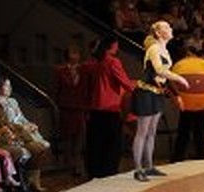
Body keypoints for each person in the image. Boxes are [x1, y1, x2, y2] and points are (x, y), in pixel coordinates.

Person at [130, 21, 189, 181]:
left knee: (152, 132)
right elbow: (160, 70)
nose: (170, 29)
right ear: (158, 33)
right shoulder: (154, 48)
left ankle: (149, 166)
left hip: (157, 93)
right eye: (167, 27)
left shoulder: (165, 50)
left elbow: (164, 75)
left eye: (170, 26)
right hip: (146, 92)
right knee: (142, 132)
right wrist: (180, 78)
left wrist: (175, 94)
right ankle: (138, 169)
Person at [81, 34, 134, 178]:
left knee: (95, 143)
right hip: (110, 108)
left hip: (93, 109)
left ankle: (94, 171)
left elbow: (85, 89)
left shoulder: (88, 64)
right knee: (112, 143)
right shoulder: (112, 62)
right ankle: (108, 172)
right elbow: (125, 82)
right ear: (112, 46)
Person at [53, 45, 89, 177]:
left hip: (80, 108)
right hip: (66, 108)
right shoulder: (60, 71)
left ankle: (77, 164)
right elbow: (56, 89)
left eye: (77, 53)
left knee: (80, 137)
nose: (75, 56)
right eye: (72, 53)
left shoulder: (83, 70)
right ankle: (69, 164)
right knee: (67, 137)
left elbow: (87, 87)